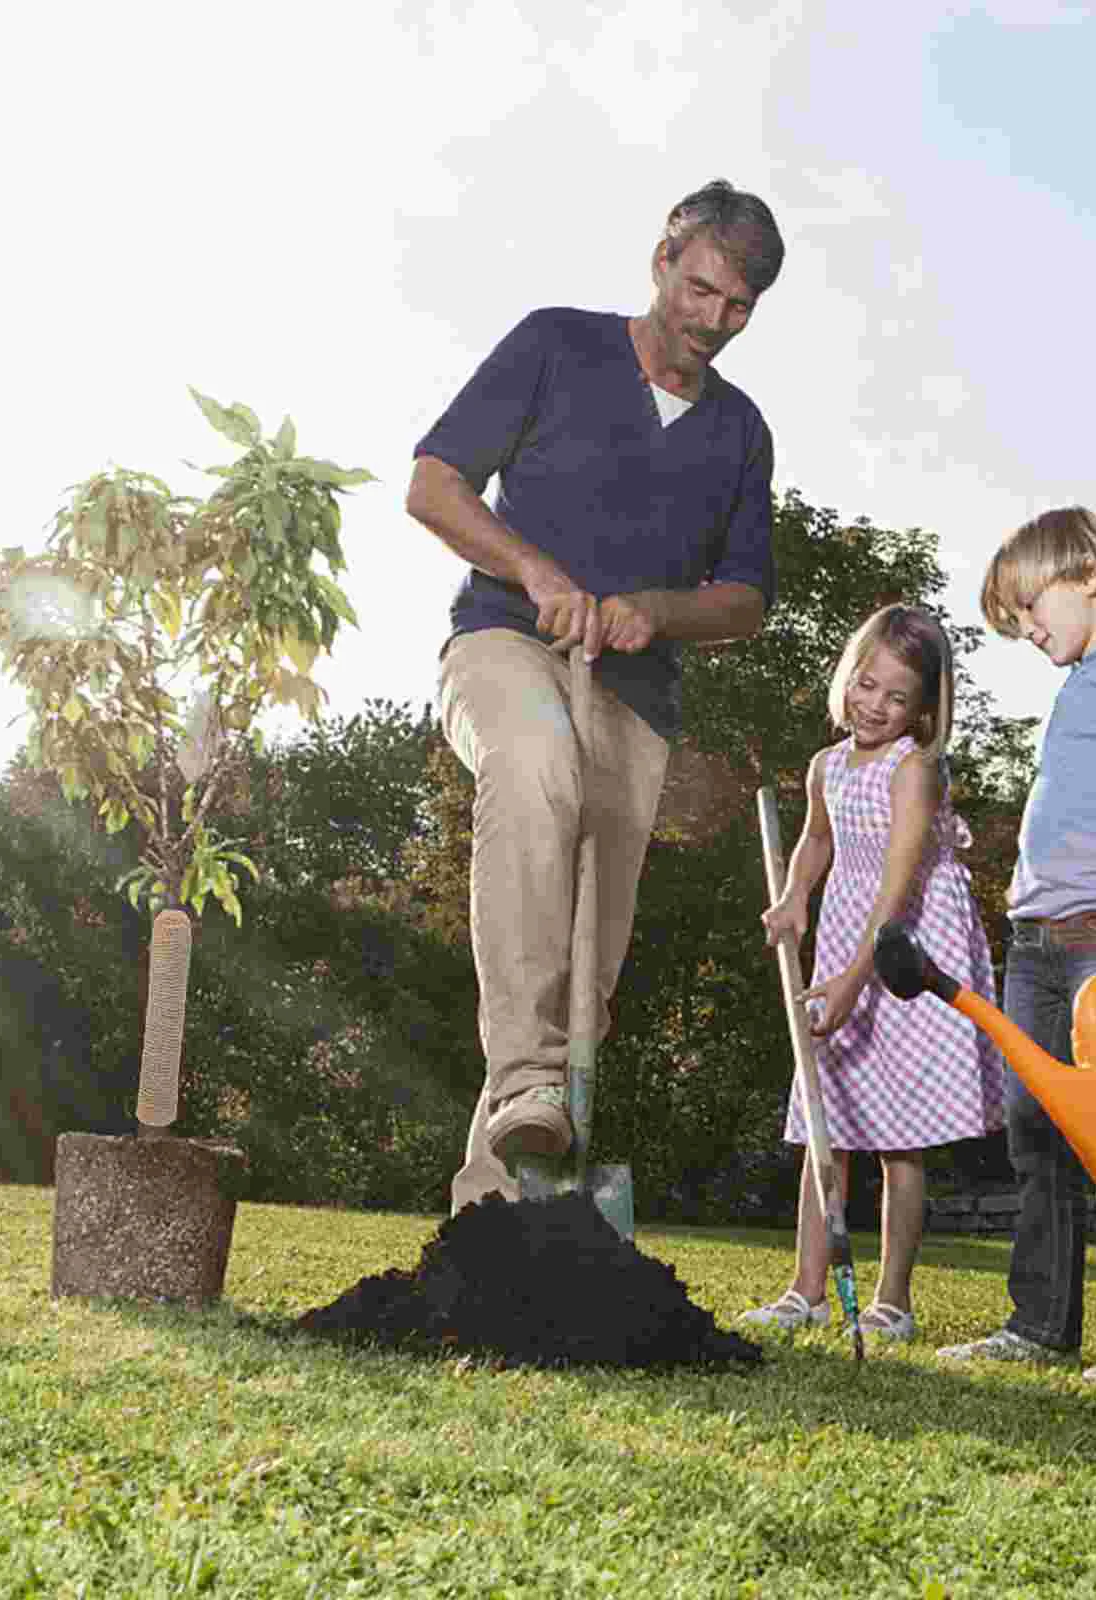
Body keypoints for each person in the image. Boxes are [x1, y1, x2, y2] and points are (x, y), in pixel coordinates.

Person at [406, 180, 784, 1213]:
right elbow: (433, 483)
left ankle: (498, 1211)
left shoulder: (740, 432)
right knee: (535, 768)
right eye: (700, 288)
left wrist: (653, 609)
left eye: (738, 308)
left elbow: (745, 599)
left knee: (582, 966)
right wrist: (538, 575)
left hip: (634, 698)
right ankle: (526, 1083)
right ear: (663, 259)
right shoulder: (555, 345)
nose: (711, 320)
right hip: (504, 643)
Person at [938, 506, 1096, 1384]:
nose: (1025, 627)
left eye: (1028, 605)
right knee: (1034, 1130)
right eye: (1011, 621)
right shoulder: (1075, 687)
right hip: (1038, 942)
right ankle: (1041, 1324)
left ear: (1086, 574)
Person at [745, 605, 1006, 1342]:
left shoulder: (915, 767)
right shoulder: (827, 765)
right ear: (848, 676)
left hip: (905, 956)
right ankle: (806, 1290)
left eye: (898, 698)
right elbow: (814, 843)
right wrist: (794, 897)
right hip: (842, 952)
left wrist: (859, 978)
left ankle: (892, 1300)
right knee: (826, 1124)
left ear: (924, 708)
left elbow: (896, 894)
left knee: (899, 1137)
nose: (876, 706)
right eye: (867, 685)